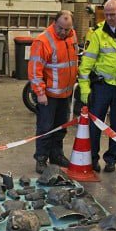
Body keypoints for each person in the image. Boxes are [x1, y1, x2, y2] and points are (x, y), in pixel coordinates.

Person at [79, 0, 116, 173]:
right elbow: (86, 64)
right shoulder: (97, 33)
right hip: (102, 85)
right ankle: (92, 158)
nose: (109, 18)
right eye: (106, 14)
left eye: (112, 14)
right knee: (95, 124)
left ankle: (112, 159)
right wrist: (84, 89)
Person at [28, 10, 79, 173]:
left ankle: (56, 155)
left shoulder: (72, 36)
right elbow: (34, 70)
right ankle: (41, 158)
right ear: (54, 23)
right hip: (48, 95)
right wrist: (40, 93)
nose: (63, 32)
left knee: (61, 127)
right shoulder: (42, 41)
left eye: (67, 29)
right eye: (60, 28)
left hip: (65, 94)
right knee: (45, 128)